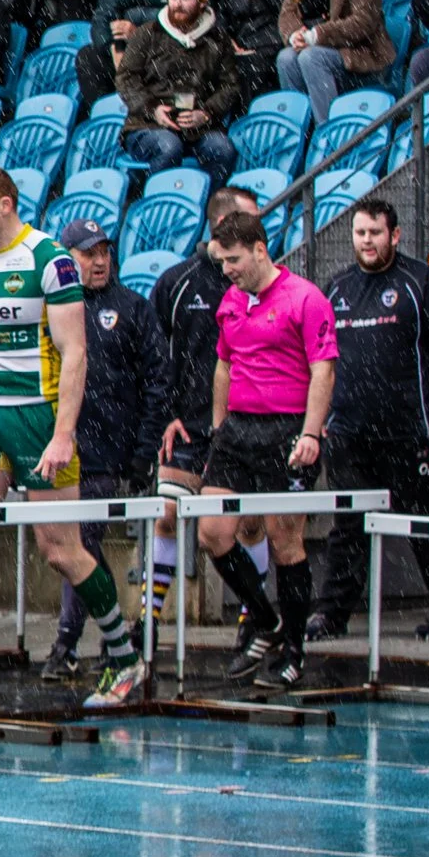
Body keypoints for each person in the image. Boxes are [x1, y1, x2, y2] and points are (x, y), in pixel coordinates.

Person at [0, 163, 144, 714]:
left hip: (38, 417)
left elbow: (76, 352)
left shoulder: (50, 260)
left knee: (61, 550)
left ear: (5, 205)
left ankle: (125, 658)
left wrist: (63, 434)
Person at [312, 201, 429, 641]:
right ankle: (332, 615)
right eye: (360, 233)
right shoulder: (337, 288)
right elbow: (321, 359)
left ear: (395, 235)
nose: (367, 241)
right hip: (349, 434)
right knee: (348, 526)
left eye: (375, 233)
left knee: (427, 524)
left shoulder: (421, 282)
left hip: (409, 431)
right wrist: (319, 415)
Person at [203, 210, 338, 690]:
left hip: (287, 429)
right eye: (222, 262)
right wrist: (219, 426)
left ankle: (294, 651)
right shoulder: (231, 301)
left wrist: (311, 433)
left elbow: (323, 369)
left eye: (234, 260)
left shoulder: (305, 298)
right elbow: (223, 365)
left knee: (285, 539)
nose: (227, 270)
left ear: (260, 250)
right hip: (238, 429)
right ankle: (265, 617)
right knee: (212, 531)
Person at [43, 220, 169, 687]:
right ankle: (109, 642)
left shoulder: (132, 308)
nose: (99, 262)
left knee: (81, 545)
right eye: (88, 253)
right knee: (73, 548)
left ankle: (72, 643)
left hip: (106, 452)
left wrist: (142, 452)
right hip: (60, 450)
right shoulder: (53, 306)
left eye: (104, 252)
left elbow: (158, 382)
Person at [150, 187, 265, 629]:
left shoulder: (264, 283)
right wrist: (165, 413)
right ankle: (149, 621)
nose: (259, 230)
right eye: (249, 220)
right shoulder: (177, 283)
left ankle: (253, 621)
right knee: (166, 517)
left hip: (248, 426)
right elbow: (154, 357)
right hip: (188, 426)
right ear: (220, 226)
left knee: (249, 524)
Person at [118, 0, 244, 187]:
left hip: (198, 127)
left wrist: (206, 113)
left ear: (202, 3)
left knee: (223, 149)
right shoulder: (148, 33)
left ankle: (205, 204)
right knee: (169, 147)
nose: (177, 4)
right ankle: (159, 201)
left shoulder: (218, 39)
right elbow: (126, 78)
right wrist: (152, 109)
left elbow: (230, 85)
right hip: (147, 125)